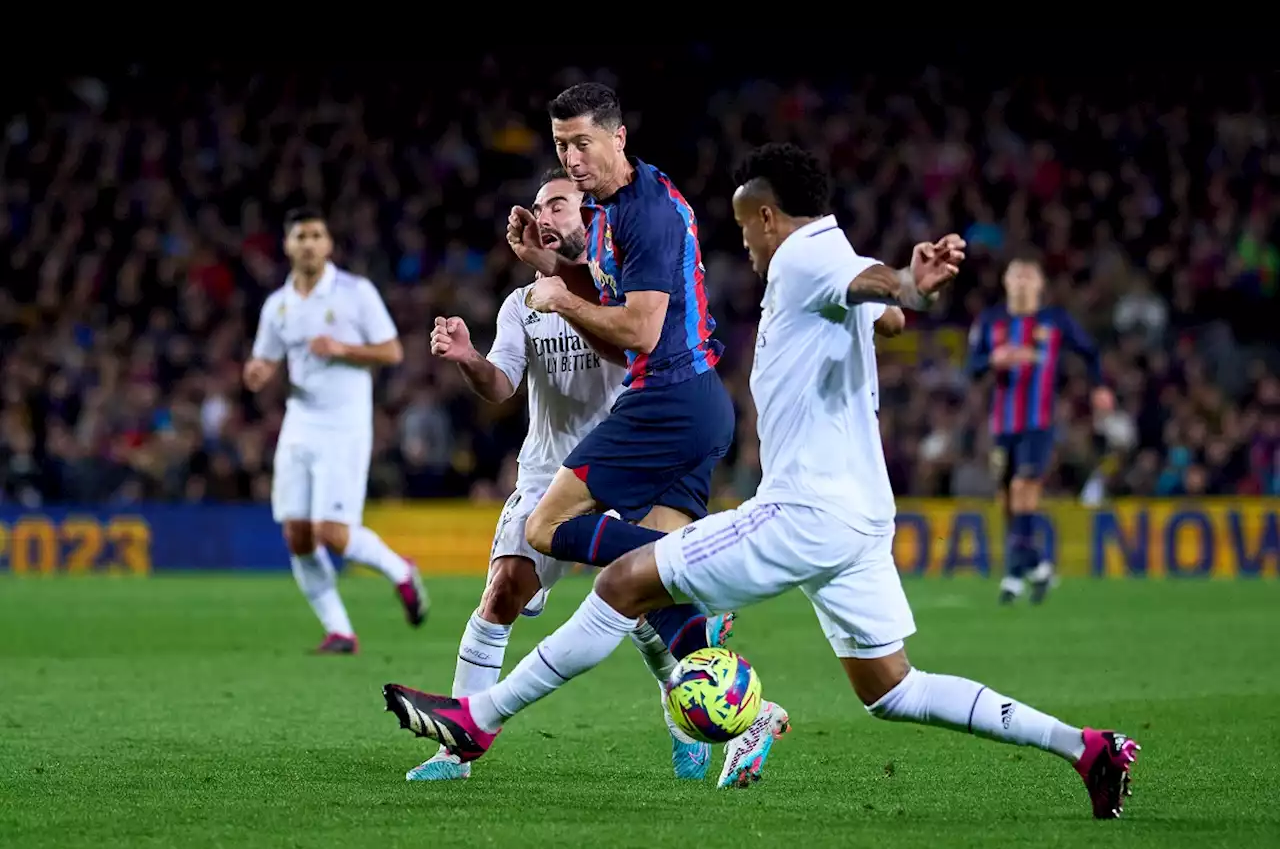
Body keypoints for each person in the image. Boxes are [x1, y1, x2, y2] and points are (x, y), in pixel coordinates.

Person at [383, 144, 1141, 819]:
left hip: (801, 510)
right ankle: (1086, 748)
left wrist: (911, 281)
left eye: (746, 228)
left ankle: (477, 718)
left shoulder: (806, 257)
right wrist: (901, 295)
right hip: (860, 520)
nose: (742, 244)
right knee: (893, 690)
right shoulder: (828, 258)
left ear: (770, 217)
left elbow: (886, 292)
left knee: (621, 582)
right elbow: (884, 311)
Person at [415, 168, 729, 782]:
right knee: (504, 590)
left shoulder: (618, 286)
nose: (546, 215)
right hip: (547, 471)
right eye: (539, 206)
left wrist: (563, 284)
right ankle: (457, 747)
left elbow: (634, 348)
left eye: (559, 204)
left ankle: (684, 720)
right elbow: (501, 386)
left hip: (629, 462)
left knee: (642, 605)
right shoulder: (522, 304)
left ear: (590, 215)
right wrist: (469, 359)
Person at [503, 85, 748, 685]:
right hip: (694, 399)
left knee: (545, 527)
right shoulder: (612, 209)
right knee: (637, 579)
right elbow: (614, 329)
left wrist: (559, 298)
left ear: (618, 137)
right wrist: (553, 268)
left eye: (583, 143)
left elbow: (639, 331)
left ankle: (709, 572)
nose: (572, 159)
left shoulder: (645, 214)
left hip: (667, 396)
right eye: (562, 145)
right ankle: (749, 716)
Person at [245, 206, 426, 654]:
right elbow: (265, 359)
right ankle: (340, 630)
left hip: (345, 425)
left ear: (328, 245)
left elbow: (391, 351)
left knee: (333, 533)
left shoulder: (354, 293)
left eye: (316, 235)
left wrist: (342, 348)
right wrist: (258, 371)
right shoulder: (278, 305)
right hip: (299, 423)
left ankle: (400, 570)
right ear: (287, 246)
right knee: (297, 534)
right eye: (300, 236)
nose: (308, 243)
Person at [967, 256, 1114, 604]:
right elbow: (970, 368)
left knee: (1022, 489)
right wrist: (993, 360)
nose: (1020, 281)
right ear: (1005, 282)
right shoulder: (990, 322)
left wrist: (1100, 387)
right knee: (1006, 500)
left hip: (1039, 423)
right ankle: (1037, 567)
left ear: (1040, 284)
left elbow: (1090, 353)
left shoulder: (1055, 321)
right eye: (1014, 274)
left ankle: (1014, 577)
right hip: (1002, 425)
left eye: (1028, 275)